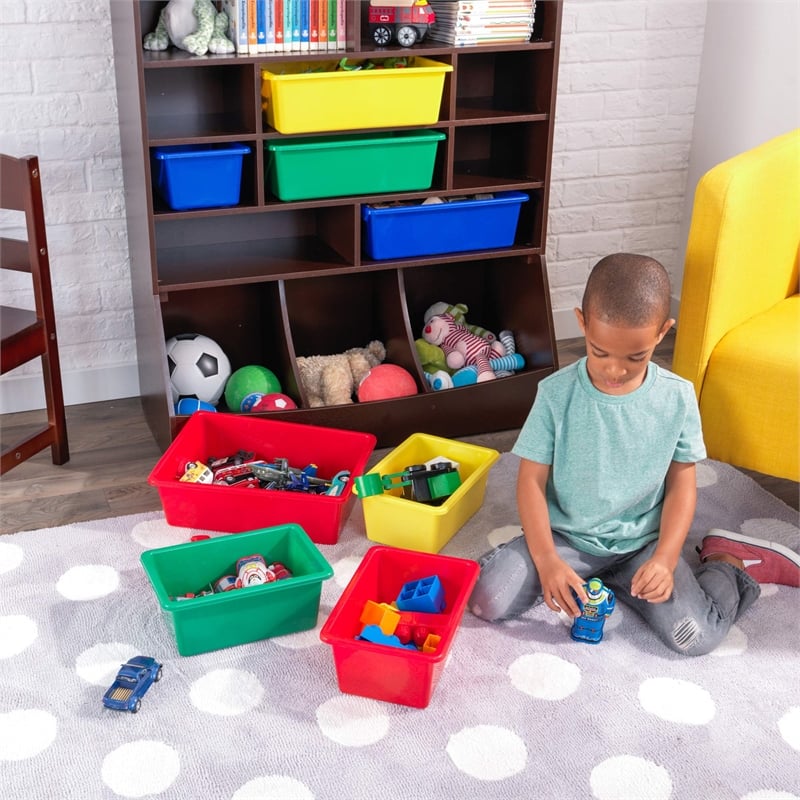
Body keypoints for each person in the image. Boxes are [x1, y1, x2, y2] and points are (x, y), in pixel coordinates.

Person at [469, 252, 800, 655]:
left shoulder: (676, 398)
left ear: (663, 332)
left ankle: (727, 565)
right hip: (567, 539)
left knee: (695, 637)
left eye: (635, 357)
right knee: (485, 598)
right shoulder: (556, 394)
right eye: (599, 351)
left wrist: (664, 557)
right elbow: (530, 482)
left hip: (642, 546)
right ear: (582, 323)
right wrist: (547, 560)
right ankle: (577, 572)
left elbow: (682, 485)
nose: (614, 370)